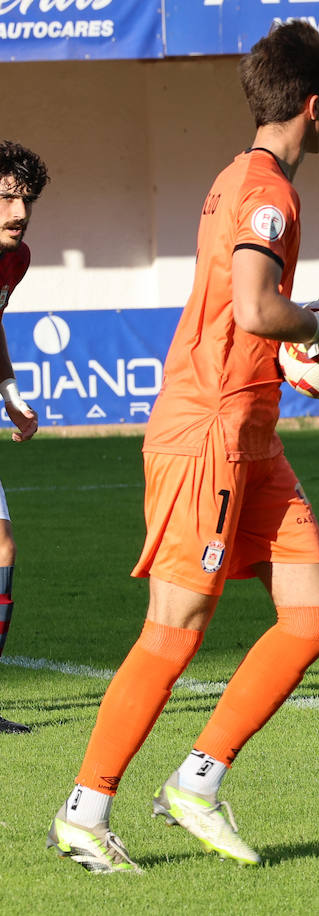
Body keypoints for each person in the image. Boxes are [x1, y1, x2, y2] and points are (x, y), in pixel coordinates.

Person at [47, 22, 319, 874]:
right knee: (175, 629)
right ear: (315, 105)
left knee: (310, 615)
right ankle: (84, 810)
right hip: (210, 434)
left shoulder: (238, 174)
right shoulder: (268, 190)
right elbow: (254, 309)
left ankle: (196, 784)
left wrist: (302, 341)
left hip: (252, 435)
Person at [0, 141, 45, 735]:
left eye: (26, 199)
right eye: (6, 196)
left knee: (3, 551)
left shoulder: (16, 258)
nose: (19, 210)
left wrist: (10, 391)